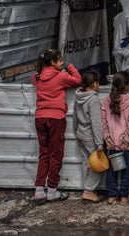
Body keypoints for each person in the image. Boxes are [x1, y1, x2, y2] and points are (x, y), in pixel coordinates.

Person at [31, 49, 82, 205]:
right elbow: (78, 80)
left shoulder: (38, 77)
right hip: (56, 118)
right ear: (53, 63)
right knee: (56, 154)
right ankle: (52, 191)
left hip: (40, 117)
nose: (62, 63)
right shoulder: (61, 76)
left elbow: (33, 78)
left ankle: (39, 190)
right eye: (60, 61)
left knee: (44, 153)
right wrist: (71, 67)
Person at [101, 71, 129, 205]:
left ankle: (111, 196)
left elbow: (103, 121)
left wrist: (107, 138)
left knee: (111, 171)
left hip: (111, 144)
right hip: (126, 145)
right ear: (127, 86)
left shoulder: (106, 100)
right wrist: (126, 140)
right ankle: (124, 196)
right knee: (128, 171)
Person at [73, 70, 107, 203]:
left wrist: (76, 132)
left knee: (86, 162)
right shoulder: (93, 100)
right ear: (94, 84)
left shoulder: (78, 96)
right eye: (98, 82)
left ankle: (88, 189)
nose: (99, 85)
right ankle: (88, 191)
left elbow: (75, 117)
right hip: (91, 137)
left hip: (81, 134)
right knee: (97, 165)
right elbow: (96, 123)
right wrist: (99, 144)